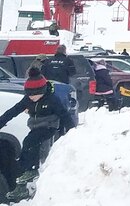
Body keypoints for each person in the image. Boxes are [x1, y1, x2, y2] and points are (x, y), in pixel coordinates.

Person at [0, 69, 75, 201]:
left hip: (49, 126)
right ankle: (23, 177)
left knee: (30, 142)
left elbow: (64, 115)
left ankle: (32, 169)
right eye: (29, 95)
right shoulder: (28, 99)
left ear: (42, 91)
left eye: (35, 95)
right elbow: (13, 111)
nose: (32, 98)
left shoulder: (52, 99)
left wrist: (72, 131)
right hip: (35, 126)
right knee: (27, 145)